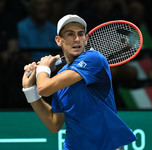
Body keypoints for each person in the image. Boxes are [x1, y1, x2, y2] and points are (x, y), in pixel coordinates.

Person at [22, 14, 137, 150]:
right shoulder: (59, 78)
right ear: (59, 40)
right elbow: (54, 124)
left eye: (81, 34)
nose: (77, 39)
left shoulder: (94, 59)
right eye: (70, 34)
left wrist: (43, 68)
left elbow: (44, 88)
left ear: (86, 38)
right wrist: (29, 90)